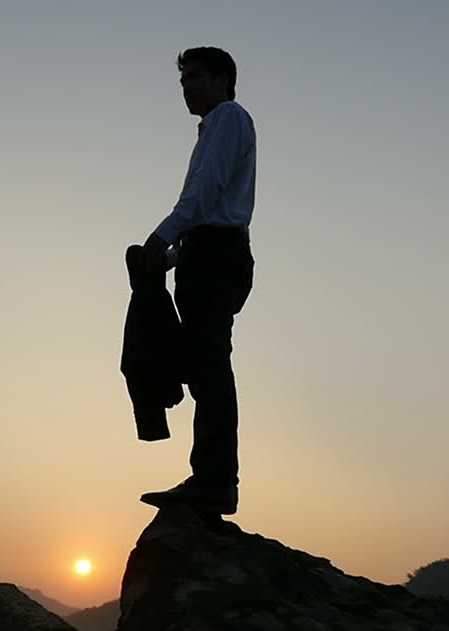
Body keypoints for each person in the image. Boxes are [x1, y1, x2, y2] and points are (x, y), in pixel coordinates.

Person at [138, 46, 256, 516]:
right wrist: (170, 256)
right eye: (183, 80)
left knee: (210, 370)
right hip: (204, 255)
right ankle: (209, 479)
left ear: (223, 78)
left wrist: (163, 234)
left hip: (216, 257)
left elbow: (209, 191)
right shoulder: (213, 127)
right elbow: (210, 207)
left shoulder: (229, 117)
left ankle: (215, 482)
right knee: (204, 370)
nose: (186, 87)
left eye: (195, 77)